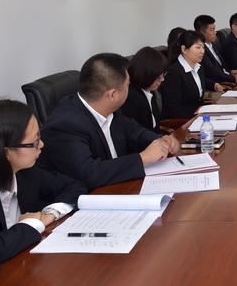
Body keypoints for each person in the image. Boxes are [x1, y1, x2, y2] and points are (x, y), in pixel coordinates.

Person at [39, 53, 179, 189]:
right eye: (128, 85)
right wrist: (142, 158)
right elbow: (89, 173)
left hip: (120, 186)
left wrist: (160, 141)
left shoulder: (108, 108)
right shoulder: (65, 125)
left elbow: (135, 131)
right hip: (92, 197)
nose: (130, 89)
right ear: (112, 95)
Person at [0, 100, 85, 261]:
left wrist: (50, 213)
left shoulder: (25, 171)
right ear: (5, 152)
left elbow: (74, 186)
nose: (41, 145)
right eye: (34, 142)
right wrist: (32, 223)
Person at [161, 30, 223, 119]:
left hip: (198, 115)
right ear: (184, 49)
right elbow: (173, 109)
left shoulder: (198, 67)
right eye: (198, 47)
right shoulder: (173, 73)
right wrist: (199, 112)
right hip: (182, 121)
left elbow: (198, 96)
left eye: (203, 47)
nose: (202, 51)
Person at [120, 47, 167, 133]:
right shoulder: (131, 98)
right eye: (158, 77)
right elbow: (135, 134)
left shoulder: (150, 90)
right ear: (147, 75)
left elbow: (154, 125)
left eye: (163, 75)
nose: (162, 79)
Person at [193, 14, 237, 86]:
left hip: (226, 76)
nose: (215, 32)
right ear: (202, 32)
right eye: (212, 30)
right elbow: (212, 72)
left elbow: (221, 65)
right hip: (219, 83)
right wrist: (233, 78)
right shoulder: (200, 50)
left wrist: (231, 71)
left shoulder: (212, 44)